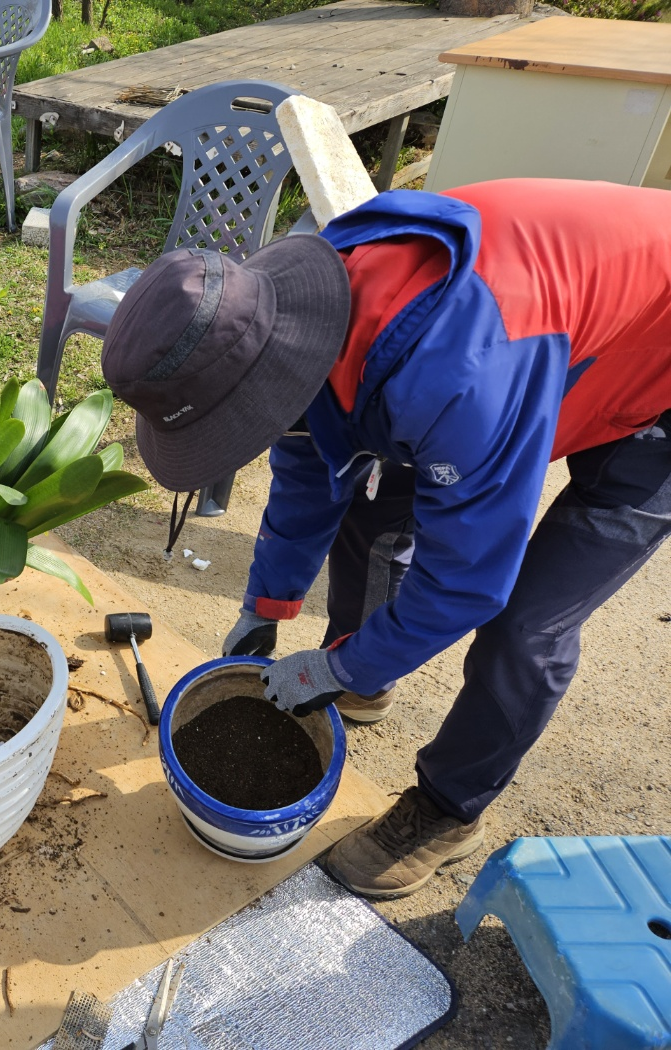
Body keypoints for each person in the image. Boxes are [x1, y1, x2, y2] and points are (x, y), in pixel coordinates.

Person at [99, 178, 671, 899]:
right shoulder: (283, 313)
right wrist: (266, 608)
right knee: (372, 512)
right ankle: (365, 668)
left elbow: (466, 583)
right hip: (559, 338)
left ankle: (449, 811)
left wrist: (330, 672)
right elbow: (313, 463)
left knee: (526, 626)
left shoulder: (455, 377)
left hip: (650, 375)